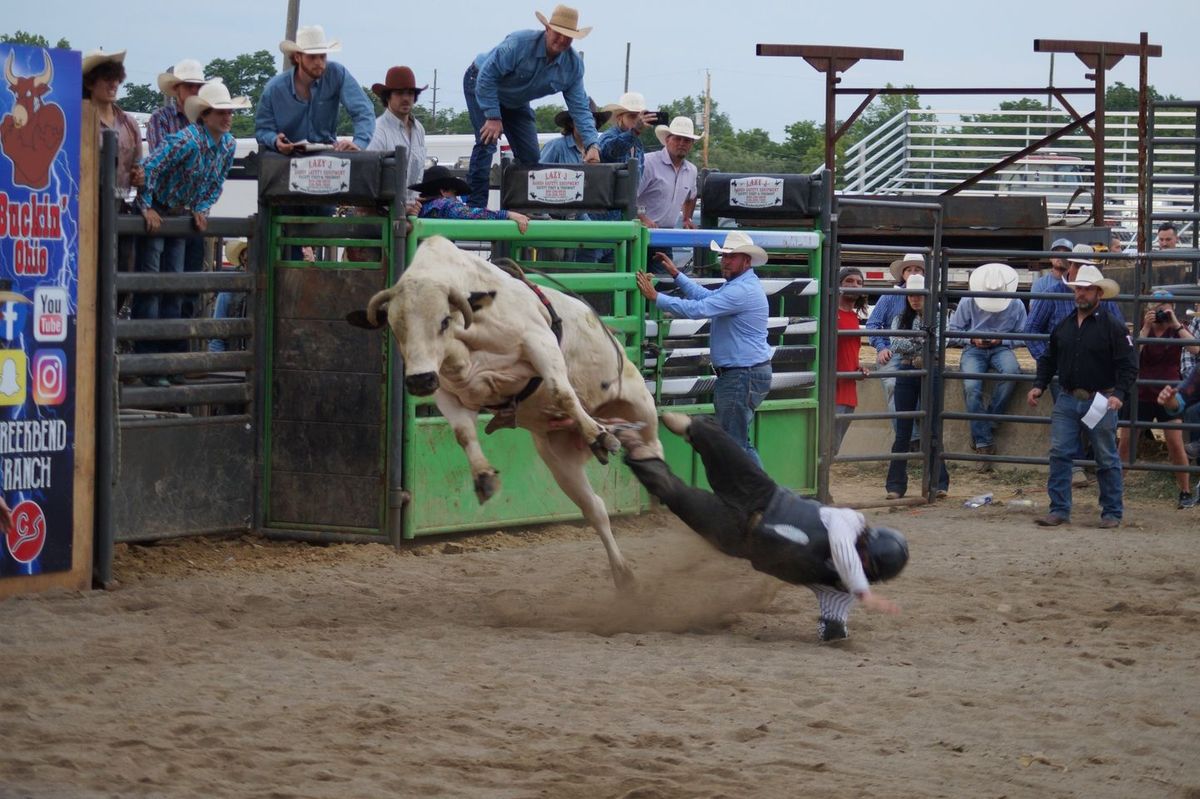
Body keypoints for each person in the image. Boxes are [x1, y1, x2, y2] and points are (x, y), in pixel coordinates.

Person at [612, 413, 906, 642]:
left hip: (736, 536)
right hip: (759, 492)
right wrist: (863, 593)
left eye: (866, 564)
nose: (860, 560)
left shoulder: (840, 588)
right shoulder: (851, 524)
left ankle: (629, 438)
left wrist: (836, 632)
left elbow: (833, 622)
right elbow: (842, 548)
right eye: (864, 555)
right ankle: (651, 410)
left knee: (671, 493)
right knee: (705, 433)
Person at [135, 80, 249, 387]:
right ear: (205, 115)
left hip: (181, 213)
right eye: (221, 112)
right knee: (156, 284)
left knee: (174, 286)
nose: (227, 118)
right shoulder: (186, 141)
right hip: (161, 208)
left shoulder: (226, 145)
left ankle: (170, 363)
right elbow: (150, 168)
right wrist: (146, 206)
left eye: (229, 113)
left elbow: (216, 183)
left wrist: (201, 207)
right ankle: (149, 363)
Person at [635, 231, 772, 464]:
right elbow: (706, 297)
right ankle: (761, 496)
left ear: (746, 261)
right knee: (738, 442)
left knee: (734, 445)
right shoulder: (742, 285)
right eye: (724, 256)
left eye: (732, 257)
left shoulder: (741, 290)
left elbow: (700, 308)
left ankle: (756, 497)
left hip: (741, 374)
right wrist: (677, 275)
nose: (725, 261)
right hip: (744, 373)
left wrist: (656, 297)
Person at [1027, 264, 1136, 528]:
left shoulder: (1113, 327)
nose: (1081, 294)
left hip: (1101, 397)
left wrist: (1119, 393)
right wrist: (1039, 384)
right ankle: (1061, 509)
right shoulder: (1065, 327)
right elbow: (1049, 359)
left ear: (1098, 293)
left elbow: (1128, 365)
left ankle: (1110, 511)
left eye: (1087, 289)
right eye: (1079, 289)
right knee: (1061, 452)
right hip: (1070, 396)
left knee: (1105, 456)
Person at [463, 5, 602, 208]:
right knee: (487, 141)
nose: (562, 40)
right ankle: (475, 209)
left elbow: (580, 107)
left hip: (516, 100)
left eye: (568, 36)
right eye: (558, 33)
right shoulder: (519, 44)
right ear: (547, 29)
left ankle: (521, 208)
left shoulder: (573, 66)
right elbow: (487, 76)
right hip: (481, 83)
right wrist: (493, 116)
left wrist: (592, 144)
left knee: (531, 156)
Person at [1023, 244, 1125, 488]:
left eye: (1086, 266)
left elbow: (1120, 336)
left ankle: (1087, 467)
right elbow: (1031, 330)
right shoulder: (1054, 296)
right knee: (1071, 434)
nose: (1080, 270)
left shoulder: (1104, 310)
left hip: (1097, 380)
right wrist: (1047, 367)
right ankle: (1079, 467)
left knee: (1093, 434)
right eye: (1078, 265)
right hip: (1067, 373)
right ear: (1070, 267)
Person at [1118, 290, 1198, 508]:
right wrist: (1145, 327)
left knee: (1174, 443)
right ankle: (1115, 490)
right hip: (1141, 392)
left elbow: (1196, 348)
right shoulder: (1141, 327)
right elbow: (1132, 354)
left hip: (1169, 393)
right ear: (1147, 308)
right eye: (1155, 306)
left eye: (1165, 307)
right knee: (1126, 442)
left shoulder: (1177, 327)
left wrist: (1175, 324)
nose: (1160, 311)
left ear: (1172, 308)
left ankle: (1185, 491)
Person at [947, 262, 1027, 471]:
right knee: (972, 387)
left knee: (1011, 373)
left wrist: (1001, 341)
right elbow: (954, 331)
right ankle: (985, 435)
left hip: (1000, 348)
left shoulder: (1016, 304)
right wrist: (972, 339)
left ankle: (983, 428)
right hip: (974, 348)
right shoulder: (968, 301)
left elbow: (1023, 335)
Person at [149, 59, 211, 323]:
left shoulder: (203, 123)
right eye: (190, 86)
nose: (195, 91)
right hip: (165, 209)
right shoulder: (161, 119)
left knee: (187, 286)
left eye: (198, 86)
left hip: (190, 211)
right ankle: (158, 346)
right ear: (177, 89)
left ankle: (178, 346)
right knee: (160, 282)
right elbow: (162, 163)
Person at [255, 25, 374, 154]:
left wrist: (358, 143)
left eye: (322, 56)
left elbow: (363, 110)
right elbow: (262, 130)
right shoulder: (274, 88)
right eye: (312, 57)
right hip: (287, 159)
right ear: (297, 57)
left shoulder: (337, 73)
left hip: (327, 156)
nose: (318, 62)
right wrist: (275, 141)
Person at [885, 274, 949, 500]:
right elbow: (896, 342)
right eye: (911, 295)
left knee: (930, 428)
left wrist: (913, 343)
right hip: (912, 369)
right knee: (904, 429)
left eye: (918, 295)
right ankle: (900, 484)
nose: (914, 299)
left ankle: (934, 483)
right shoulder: (902, 317)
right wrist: (922, 341)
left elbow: (941, 342)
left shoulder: (938, 315)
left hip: (919, 369)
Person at [866, 253, 926, 449]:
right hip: (894, 350)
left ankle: (915, 438)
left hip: (923, 352)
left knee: (926, 391)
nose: (913, 273)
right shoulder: (891, 296)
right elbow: (873, 324)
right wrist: (881, 347)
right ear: (903, 274)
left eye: (918, 269)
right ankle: (911, 440)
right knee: (893, 385)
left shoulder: (931, 294)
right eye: (909, 269)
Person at [638, 116, 702, 271]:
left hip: (664, 237)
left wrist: (687, 218)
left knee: (662, 283)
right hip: (639, 234)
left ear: (691, 144)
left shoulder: (691, 170)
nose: (681, 143)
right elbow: (628, 195)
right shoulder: (648, 163)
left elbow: (691, 196)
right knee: (637, 280)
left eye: (686, 140)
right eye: (677, 139)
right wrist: (642, 217)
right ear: (667, 140)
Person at [366, 66, 428, 201]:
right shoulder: (377, 130)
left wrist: (414, 203)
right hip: (383, 212)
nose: (406, 98)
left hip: (411, 211)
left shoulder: (419, 129)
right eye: (399, 93)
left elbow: (418, 173)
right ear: (388, 97)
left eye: (410, 93)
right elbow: (369, 179)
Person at [408, 165, 530, 232]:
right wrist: (507, 214)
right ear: (444, 191)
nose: (456, 198)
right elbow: (472, 214)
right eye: (454, 193)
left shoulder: (416, 208)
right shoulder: (444, 205)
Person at [834, 267, 869, 454]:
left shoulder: (854, 317)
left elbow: (848, 351)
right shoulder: (831, 314)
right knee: (826, 447)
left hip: (848, 390)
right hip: (833, 390)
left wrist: (858, 367)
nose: (855, 285)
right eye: (849, 281)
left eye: (859, 282)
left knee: (833, 449)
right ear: (839, 285)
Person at [209, 238, 249, 354]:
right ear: (242, 262)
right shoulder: (228, 293)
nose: (250, 265)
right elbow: (217, 337)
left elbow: (216, 338)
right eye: (246, 261)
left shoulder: (228, 292)